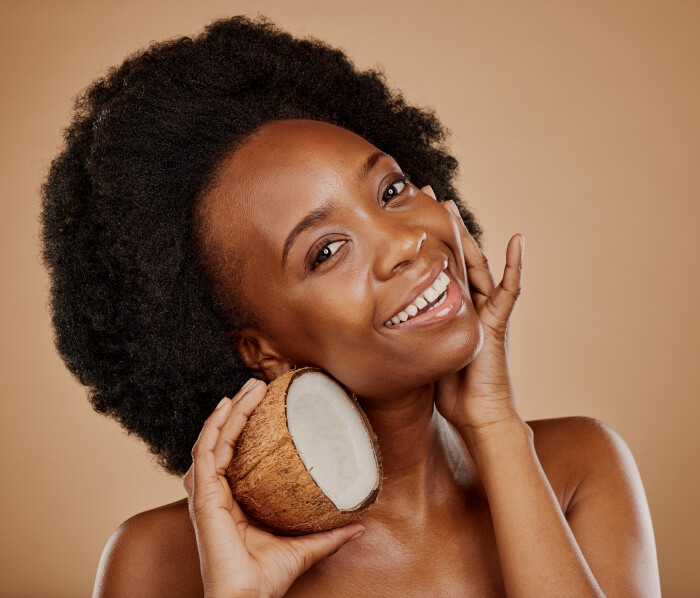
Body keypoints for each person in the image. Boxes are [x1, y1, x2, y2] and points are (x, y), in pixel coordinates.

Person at [40, 15, 661, 597]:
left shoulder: (578, 468)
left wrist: (496, 427)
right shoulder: (163, 558)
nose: (403, 242)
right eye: (327, 250)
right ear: (261, 351)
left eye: (391, 189)